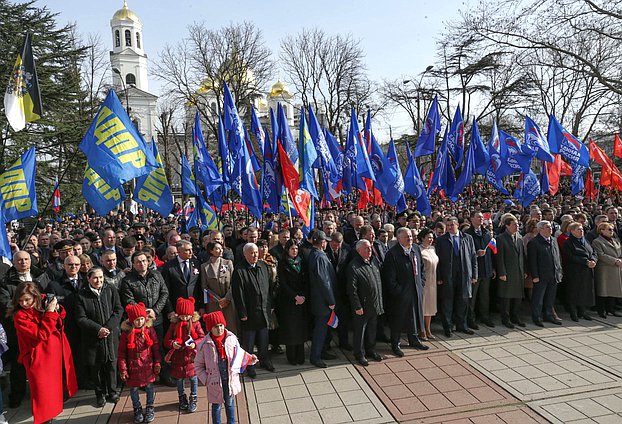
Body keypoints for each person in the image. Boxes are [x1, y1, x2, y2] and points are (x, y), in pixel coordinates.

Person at [12, 281, 78, 424]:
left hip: (51, 354)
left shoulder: (42, 302)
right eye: (21, 300)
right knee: (41, 393)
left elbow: (61, 318)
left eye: (27, 300)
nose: (24, 303)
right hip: (37, 357)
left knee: (52, 391)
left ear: (35, 297)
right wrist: (49, 312)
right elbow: (41, 334)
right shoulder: (20, 316)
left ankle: (50, 416)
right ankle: (45, 419)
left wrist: (56, 309)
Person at [195, 311, 258, 424]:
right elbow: (198, 366)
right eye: (216, 326)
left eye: (221, 325)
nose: (219, 329)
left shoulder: (231, 338)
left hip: (229, 379)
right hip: (214, 381)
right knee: (216, 406)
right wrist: (206, 379)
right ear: (210, 328)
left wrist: (249, 359)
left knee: (230, 403)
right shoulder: (204, 345)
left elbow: (239, 354)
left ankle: (232, 422)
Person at [75, 267, 124, 407]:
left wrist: (108, 327)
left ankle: (113, 391)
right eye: (95, 278)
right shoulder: (81, 295)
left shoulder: (110, 290)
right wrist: (98, 329)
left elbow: (118, 309)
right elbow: (81, 318)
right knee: (96, 368)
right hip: (93, 338)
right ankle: (100, 393)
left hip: (110, 335)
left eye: (101, 277)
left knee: (111, 365)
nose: (99, 280)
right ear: (89, 279)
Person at [382, 227, 428, 357]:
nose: (410, 239)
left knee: (413, 317)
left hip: (415, 290)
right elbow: (389, 278)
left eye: (411, 237)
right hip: (400, 294)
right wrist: (398, 291)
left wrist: (421, 283)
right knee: (398, 319)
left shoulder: (416, 249)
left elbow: (422, 269)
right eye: (407, 237)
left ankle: (413, 339)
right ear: (399, 238)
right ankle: (395, 344)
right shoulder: (392, 254)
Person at [231, 243, 274, 377]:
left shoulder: (263, 266)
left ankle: (265, 360)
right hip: (249, 312)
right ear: (245, 254)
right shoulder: (239, 270)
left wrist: (270, 306)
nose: (255, 255)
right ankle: (249, 366)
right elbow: (238, 294)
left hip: (263, 310)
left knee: (264, 338)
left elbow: (268, 288)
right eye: (252, 253)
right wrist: (242, 312)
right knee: (249, 342)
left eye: (256, 252)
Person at [118, 302, 161, 424]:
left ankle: (150, 407)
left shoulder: (149, 330)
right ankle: (137, 409)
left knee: (149, 387)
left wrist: (157, 362)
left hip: (147, 364)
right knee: (134, 389)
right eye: (137, 319)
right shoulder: (126, 334)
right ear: (131, 320)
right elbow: (121, 353)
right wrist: (123, 369)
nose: (140, 322)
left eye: (142, 319)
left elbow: (155, 347)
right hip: (133, 367)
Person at [435, 217, 478, 337]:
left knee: (463, 301)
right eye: (447, 225)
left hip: (464, 275)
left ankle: (462, 325)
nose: (449, 227)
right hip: (448, 275)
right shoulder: (441, 240)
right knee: (447, 302)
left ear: (457, 225)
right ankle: (447, 327)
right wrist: (439, 277)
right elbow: (438, 260)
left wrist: (474, 275)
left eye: (451, 225)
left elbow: (473, 257)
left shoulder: (467, 238)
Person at [163, 297, 205, 413]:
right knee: (179, 379)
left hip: (191, 357)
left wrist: (194, 344)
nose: (185, 318)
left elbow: (202, 338)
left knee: (193, 378)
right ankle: (182, 397)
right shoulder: (174, 324)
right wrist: (173, 343)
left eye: (187, 316)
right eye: (182, 316)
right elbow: (166, 340)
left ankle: (194, 396)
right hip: (178, 357)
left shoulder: (196, 324)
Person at [346, 240, 384, 366]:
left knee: (372, 329)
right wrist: (357, 305)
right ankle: (359, 353)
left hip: (374, 303)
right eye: (366, 248)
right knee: (360, 331)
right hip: (362, 305)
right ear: (359, 250)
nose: (369, 250)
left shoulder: (373, 261)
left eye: (370, 248)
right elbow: (352, 289)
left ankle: (370, 350)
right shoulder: (353, 266)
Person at [307, 231, 337, 368]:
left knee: (323, 329)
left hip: (320, 300)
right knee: (320, 330)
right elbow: (324, 281)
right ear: (321, 242)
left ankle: (322, 351)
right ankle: (316, 356)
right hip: (322, 301)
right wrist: (331, 300)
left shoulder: (316, 254)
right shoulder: (318, 256)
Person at [277, 240, 309, 365]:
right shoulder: (283, 263)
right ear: (287, 250)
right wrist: (295, 296)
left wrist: (303, 296)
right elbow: (283, 284)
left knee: (301, 329)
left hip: (302, 300)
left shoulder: (302, 262)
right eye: (292, 249)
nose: (294, 251)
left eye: (296, 248)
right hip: (289, 301)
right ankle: (292, 357)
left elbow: (306, 281)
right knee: (291, 331)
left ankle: (301, 356)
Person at [527, 221, 563, 326]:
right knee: (538, 298)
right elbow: (532, 261)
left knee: (550, 297)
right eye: (547, 227)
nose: (550, 229)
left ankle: (548, 315)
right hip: (541, 275)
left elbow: (557, 257)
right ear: (540, 229)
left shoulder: (554, 240)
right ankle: (536, 317)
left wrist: (559, 271)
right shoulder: (534, 242)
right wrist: (535, 276)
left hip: (554, 274)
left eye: (550, 227)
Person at [199, 241, 238, 334]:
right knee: (216, 328)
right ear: (211, 250)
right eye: (217, 248)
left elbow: (234, 283)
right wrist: (218, 300)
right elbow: (204, 286)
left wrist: (227, 298)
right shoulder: (205, 266)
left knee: (231, 327)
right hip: (213, 303)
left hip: (228, 302)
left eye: (221, 248)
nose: (220, 250)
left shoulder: (228, 263)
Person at [464, 211, 495, 328]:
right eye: (478, 217)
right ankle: (470, 319)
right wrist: (476, 254)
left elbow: (491, 253)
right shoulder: (468, 234)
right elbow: (466, 253)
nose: (481, 219)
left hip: (486, 268)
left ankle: (485, 317)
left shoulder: (486, 233)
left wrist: (492, 268)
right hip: (474, 270)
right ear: (472, 219)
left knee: (484, 295)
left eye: (482, 217)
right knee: (473, 297)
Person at [496, 215, 526, 328]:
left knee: (518, 296)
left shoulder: (519, 237)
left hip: (518, 271)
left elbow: (523, 255)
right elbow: (500, 258)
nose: (517, 226)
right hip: (507, 272)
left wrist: (525, 270)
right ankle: (505, 318)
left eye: (518, 224)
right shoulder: (501, 238)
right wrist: (502, 272)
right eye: (514, 225)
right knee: (506, 297)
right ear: (507, 226)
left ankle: (515, 316)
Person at [563, 222, 597, 321]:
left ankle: (583, 311)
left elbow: (593, 252)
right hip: (575, 271)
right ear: (572, 231)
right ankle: (573, 313)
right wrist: (585, 262)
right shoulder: (568, 242)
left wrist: (594, 260)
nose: (581, 231)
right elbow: (570, 256)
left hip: (587, 270)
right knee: (574, 292)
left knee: (584, 291)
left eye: (582, 229)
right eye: (578, 229)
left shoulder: (585, 240)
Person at [592, 223, 622, 318]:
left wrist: (620, 260)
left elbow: (620, 252)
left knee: (613, 290)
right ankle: (602, 310)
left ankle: (611, 309)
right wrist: (615, 261)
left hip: (616, 268)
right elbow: (600, 255)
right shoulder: (597, 241)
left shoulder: (615, 240)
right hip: (604, 269)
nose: (611, 231)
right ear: (602, 230)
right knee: (603, 290)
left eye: (612, 229)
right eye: (609, 229)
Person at [418, 228, 438, 339]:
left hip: (433, 282)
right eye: (428, 237)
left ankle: (428, 329)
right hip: (423, 282)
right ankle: (421, 330)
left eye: (432, 237)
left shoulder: (433, 249)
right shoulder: (418, 249)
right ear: (422, 238)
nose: (430, 239)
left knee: (430, 307)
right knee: (423, 307)